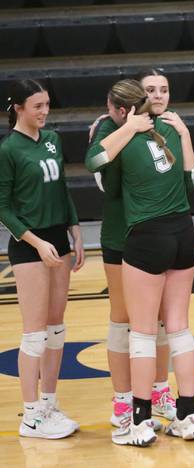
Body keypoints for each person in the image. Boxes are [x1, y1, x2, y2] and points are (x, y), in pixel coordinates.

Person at [85, 79, 194, 446]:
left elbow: (94, 161)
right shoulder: (167, 127)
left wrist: (127, 129)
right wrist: (181, 134)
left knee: (143, 332)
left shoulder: (125, 137)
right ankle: (188, 416)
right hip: (184, 233)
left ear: (122, 111)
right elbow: (191, 180)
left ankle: (139, 421)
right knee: (179, 329)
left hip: (147, 238)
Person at [1, 79, 84, 439]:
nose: (45, 112)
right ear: (18, 109)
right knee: (34, 333)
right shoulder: (8, 150)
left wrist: (76, 230)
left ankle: (49, 403)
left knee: (55, 328)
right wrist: (36, 242)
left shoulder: (52, 140)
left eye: (47, 104)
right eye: (37, 106)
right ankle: (31, 415)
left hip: (58, 240)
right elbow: (2, 207)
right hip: (29, 245)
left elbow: (62, 189)